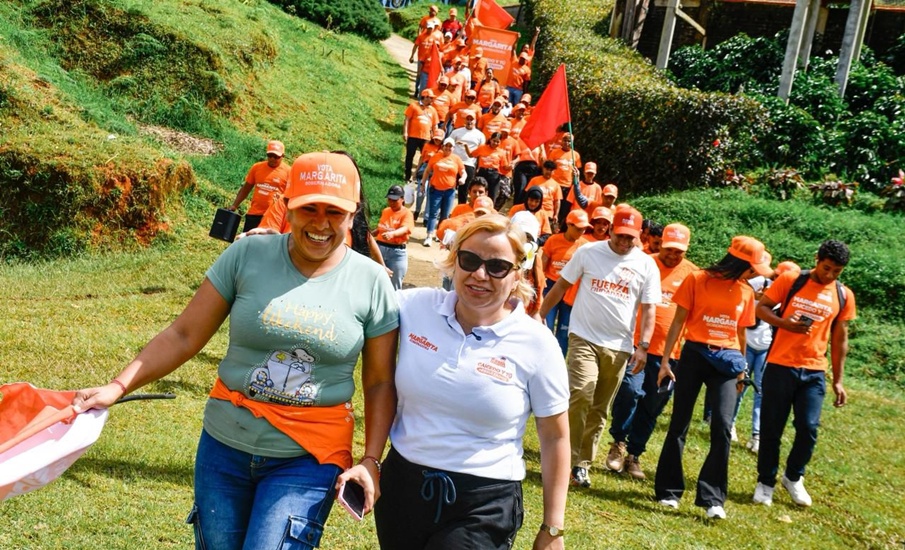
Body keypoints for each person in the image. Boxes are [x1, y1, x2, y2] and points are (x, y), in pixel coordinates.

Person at [72, 151, 400, 549]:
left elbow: (380, 381)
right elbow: (183, 335)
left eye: (334, 211)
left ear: (353, 215)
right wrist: (117, 386)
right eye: (307, 208)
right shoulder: (248, 255)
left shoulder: (371, 282)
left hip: (309, 456)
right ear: (288, 208)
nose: (320, 222)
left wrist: (370, 460)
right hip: (224, 445)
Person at [374, 214, 570, 550]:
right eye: (470, 260)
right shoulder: (415, 307)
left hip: (484, 502)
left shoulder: (536, 343)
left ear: (517, 275)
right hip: (402, 489)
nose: (480, 275)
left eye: (497, 267)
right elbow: (355, 293)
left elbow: (555, 437)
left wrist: (553, 528)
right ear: (454, 260)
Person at [539, 207, 660, 488]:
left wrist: (643, 346)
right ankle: (564, 460)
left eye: (630, 238)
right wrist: (540, 315)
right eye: (620, 235)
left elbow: (650, 309)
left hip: (619, 346)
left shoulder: (645, 265)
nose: (624, 242)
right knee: (581, 393)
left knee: (600, 407)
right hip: (583, 337)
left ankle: (581, 464)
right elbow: (559, 287)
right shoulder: (588, 252)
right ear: (610, 230)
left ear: (638, 236)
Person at [654, 236, 771, 520]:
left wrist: (742, 368)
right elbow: (678, 321)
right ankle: (669, 492)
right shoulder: (696, 279)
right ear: (739, 263)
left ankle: (712, 497)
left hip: (728, 361)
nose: (755, 274)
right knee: (678, 424)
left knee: (722, 426)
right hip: (694, 355)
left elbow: (741, 332)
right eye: (752, 268)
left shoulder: (745, 291)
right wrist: (666, 361)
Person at [753, 240, 856, 508]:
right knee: (772, 428)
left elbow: (840, 338)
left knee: (808, 428)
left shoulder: (843, 295)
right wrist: (783, 323)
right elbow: (761, 308)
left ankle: (793, 476)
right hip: (780, 365)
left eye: (837, 271)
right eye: (826, 268)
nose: (830, 275)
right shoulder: (791, 280)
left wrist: (838, 380)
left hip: (814, 371)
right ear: (816, 259)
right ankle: (765, 482)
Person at [605, 224, 698, 480]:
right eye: (669, 249)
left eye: (679, 252)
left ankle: (635, 455)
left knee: (652, 404)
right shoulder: (643, 264)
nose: (673, 255)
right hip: (636, 346)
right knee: (630, 391)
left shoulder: (692, 274)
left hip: (669, 355)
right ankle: (618, 442)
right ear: (661, 244)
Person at [735, 260, 801, 454]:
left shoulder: (794, 297)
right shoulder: (759, 283)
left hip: (767, 348)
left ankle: (756, 434)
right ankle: (729, 425)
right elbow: (741, 287)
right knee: (740, 385)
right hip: (747, 341)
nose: (778, 281)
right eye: (776, 277)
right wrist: (755, 296)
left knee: (761, 392)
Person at [542, 210, 592, 355]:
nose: (582, 231)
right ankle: (543, 357)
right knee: (547, 325)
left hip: (571, 290)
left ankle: (559, 360)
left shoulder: (586, 246)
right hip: (551, 286)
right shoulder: (553, 240)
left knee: (564, 330)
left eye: (584, 228)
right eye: (578, 228)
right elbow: (543, 264)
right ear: (569, 225)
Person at [228, 140, 291, 233]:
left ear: (283, 156)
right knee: (248, 241)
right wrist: (234, 205)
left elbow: (290, 196)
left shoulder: (289, 172)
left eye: (276, 156)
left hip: (272, 216)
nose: (272, 159)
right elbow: (246, 188)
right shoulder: (257, 167)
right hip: (254, 213)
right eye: (270, 155)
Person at [422, 137, 466, 247]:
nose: (448, 148)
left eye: (450, 146)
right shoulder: (435, 157)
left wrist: (462, 179)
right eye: (446, 145)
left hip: (449, 191)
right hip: (435, 189)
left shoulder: (456, 159)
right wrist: (423, 184)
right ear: (443, 146)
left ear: (453, 148)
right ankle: (429, 236)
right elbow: (427, 171)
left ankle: (439, 234)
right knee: (433, 213)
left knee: (445, 215)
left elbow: (463, 172)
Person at [376, 185, 415, 290]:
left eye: (395, 200)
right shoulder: (386, 211)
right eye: (389, 199)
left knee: (394, 286)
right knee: (375, 282)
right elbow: (381, 228)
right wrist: (371, 233)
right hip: (379, 249)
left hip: (396, 253)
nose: (391, 202)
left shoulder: (407, 213)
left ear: (402, 199)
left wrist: (392, 234)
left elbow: (405, 228)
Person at [464, 131, 510, 211]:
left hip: (494, 175)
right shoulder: (482, 148)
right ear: (490, 140)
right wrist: (465, 146)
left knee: (492, 197)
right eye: (494, 140)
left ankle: (490, 213)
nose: (495, 143)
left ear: (500, 142)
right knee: (479, 195)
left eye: (497, 141)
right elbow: (470, 155)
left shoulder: (501, 152)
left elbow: (505, 167)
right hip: (482, 173)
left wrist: (511, 166)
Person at [448, 111, 486, 204]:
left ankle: (461, 208)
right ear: (465, 120)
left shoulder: (480, 135)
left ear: (475, 121)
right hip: (454, 162)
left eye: (471, 119)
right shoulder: (456, 132)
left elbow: (481, 152)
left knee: (464, 190)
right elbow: (448, 145)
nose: (469, 121)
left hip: (469, 164)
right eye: (468, 119)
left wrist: (479, 166)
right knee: (449, 186)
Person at [404, 89, 440, 183]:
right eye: (431, 98)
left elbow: (435, 125)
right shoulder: (414, 106)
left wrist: (435, 136)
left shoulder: (433, 110)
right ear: (425, 97)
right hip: (413, 136)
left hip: (426, 138)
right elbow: (407, 119)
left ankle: (420, 176)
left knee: (425, 157)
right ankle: (407, 176)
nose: (432, 100)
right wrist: (405, 132)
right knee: (409, 156)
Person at [413, 129, 446, 222]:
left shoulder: (443, 149)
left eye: (439, 139)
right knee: (421, 191)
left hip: (436, 170)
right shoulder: (427, 145)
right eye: (436, 139)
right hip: (425, 167)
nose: (437, 141)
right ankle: (417, 210)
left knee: (430, 194)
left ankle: (426, 217)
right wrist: (416, 171)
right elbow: (421, 158)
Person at [526, 160, 562, 228]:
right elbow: (527, 195)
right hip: (534, 210)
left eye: (551, 170)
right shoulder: (534, 180)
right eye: (547, 169)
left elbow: (557, 201)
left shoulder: (556, 185)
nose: (548, 172)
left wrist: (556, 215)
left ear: (554, 171)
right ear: (543, 169)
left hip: (548, 213)